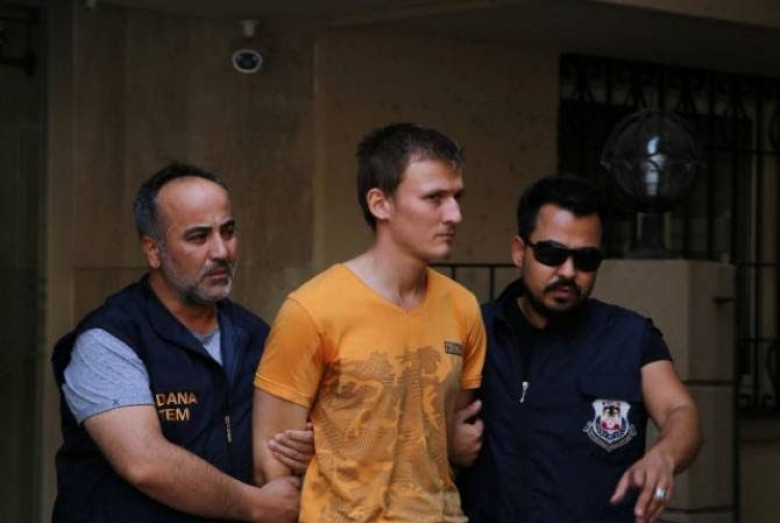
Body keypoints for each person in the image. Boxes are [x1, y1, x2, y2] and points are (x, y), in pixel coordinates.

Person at [51, 163, 312, 523]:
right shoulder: (109, 339)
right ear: (153, 250)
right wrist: (255, 505)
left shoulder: (254, 335)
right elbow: (145, 462)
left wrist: (306, 448)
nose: (221, 251)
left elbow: (279, 448)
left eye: (228, 232)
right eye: (199, 237)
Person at [253, 123, 487, 523]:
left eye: (456, 197)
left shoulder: (462, 307)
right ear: (381, 204)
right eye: (434, 198)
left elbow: (446, 436)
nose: (455, 215)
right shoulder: (312, 309)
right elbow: (270, 466)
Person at [458, 174, 703, 523]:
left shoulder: (631, 337)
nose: (569, 272)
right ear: (519, 252)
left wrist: (665, 455)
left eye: (586, 259)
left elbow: (681, 411)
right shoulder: (474, 331)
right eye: (552, 254)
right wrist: (447, 444)